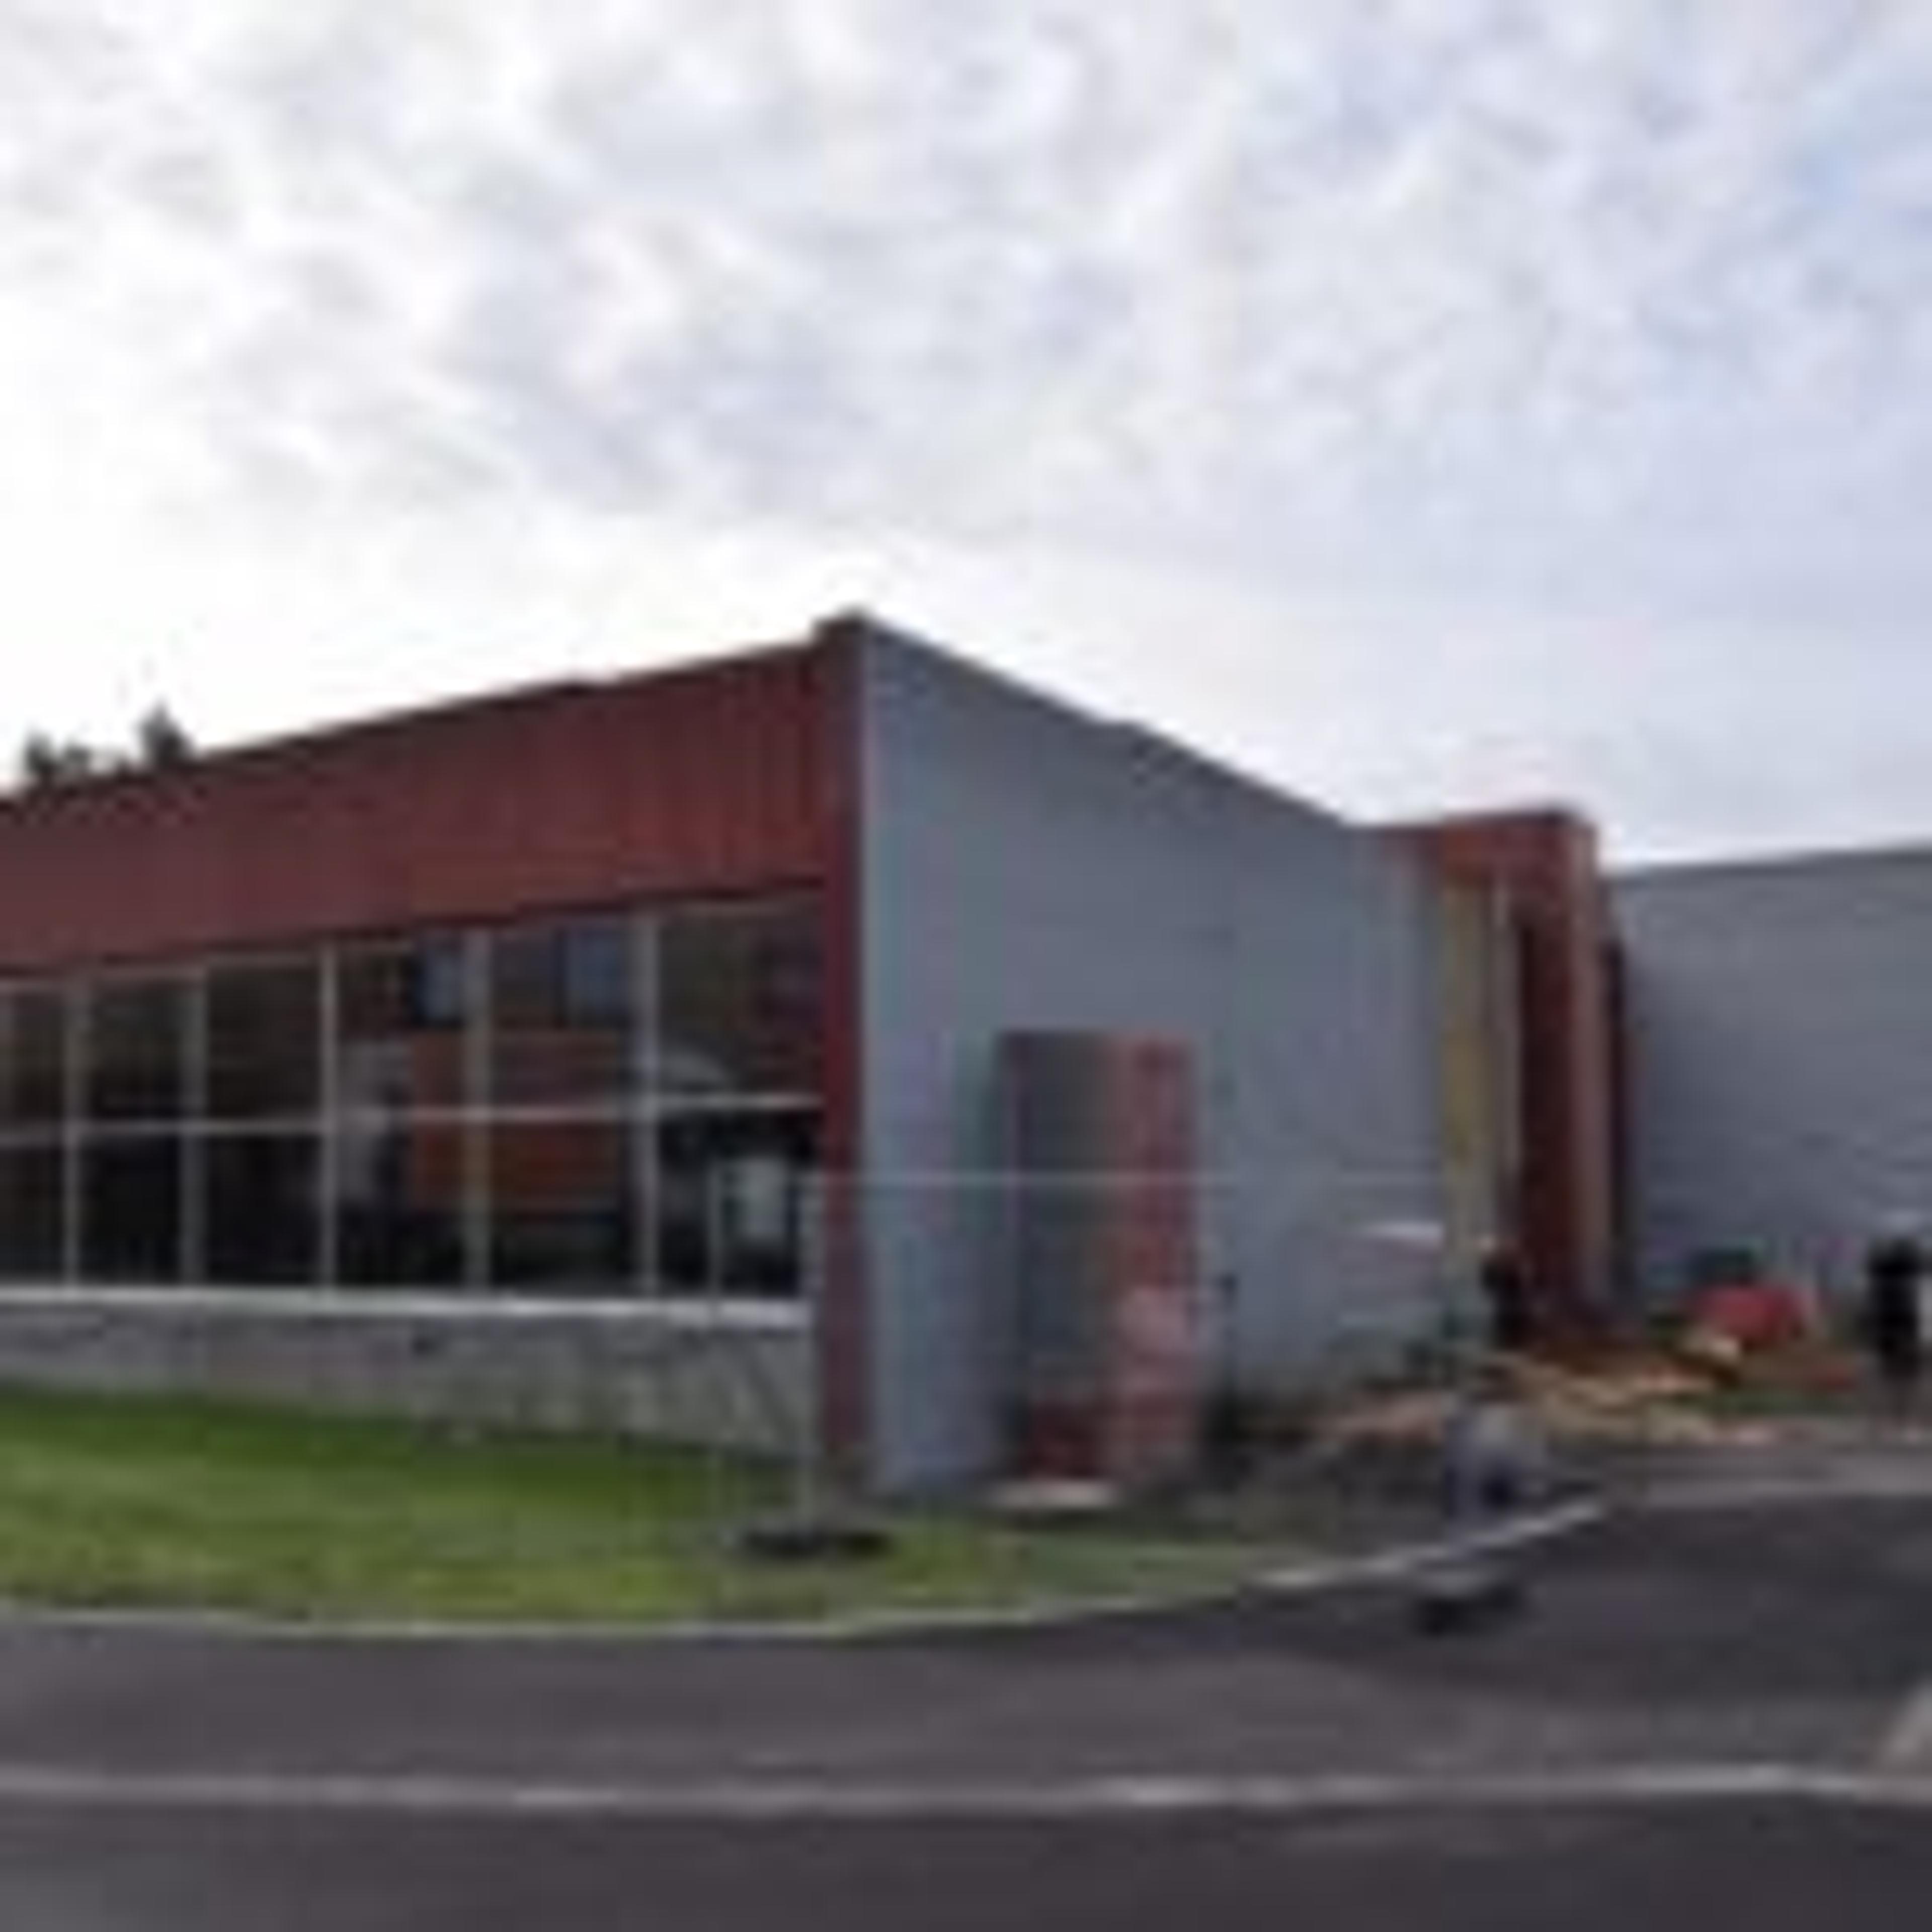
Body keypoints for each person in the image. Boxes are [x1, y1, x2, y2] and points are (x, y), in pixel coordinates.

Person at [1861, 1227, 1926, 1404]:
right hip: (1901, 1313)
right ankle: (1903, 1385)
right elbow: (1922, 1265)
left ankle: (1898, 1384)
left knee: (1893, 1351)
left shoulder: (1882, 1268)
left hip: (1891, 1315)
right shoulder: (1905, 1268)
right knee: (1901, 1349)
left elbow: (1872, 1268)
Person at [1478, 1241, 1534, 1356]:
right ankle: (1509, 1348)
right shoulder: (1498, 1265)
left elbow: (1524, 1284)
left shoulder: (1516, 1265)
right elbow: (1488, 1283)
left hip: (1514, 1303)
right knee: (1507, 1329)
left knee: (1514, 1329)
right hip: (1506, 1303)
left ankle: (1515, 1348)